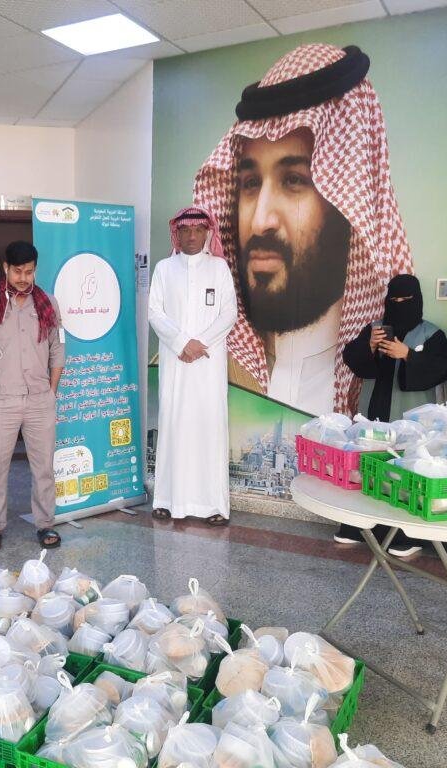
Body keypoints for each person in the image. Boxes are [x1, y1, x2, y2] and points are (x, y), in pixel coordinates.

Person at [193, 43, 413, 416]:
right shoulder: (223, 360)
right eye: (250, 183)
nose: (261, 220)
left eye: (294, 180)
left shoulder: (368, 369)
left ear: (347, 196)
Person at [338, 274, 447, 555]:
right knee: (369, 466)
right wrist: (369, 345)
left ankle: (407, 536)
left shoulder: (432, 334)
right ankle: (359, 528)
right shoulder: (374, 328)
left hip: (409, 418)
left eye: (406, 299)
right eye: (394, 299)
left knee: (407, 472)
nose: (399, 304)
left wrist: (408, 355)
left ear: (417, 300)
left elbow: (441, 369)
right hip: (375, 410)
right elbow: (352, 359)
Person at [0, 241, 65, 552]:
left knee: (44, 467)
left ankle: (45, 523)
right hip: (1, 399)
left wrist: (51, 392)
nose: (24, 278)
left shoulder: (47, 303)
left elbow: (57, 350)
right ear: (5, 268)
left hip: (39, 400)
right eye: (18, 271)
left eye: (29, 272)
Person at [149, 206, 238, 525]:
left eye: (198, 230)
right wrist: (181, 343)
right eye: (185, 230)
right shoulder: (164, 269)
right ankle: (166, 500)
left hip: (208, 366)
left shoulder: (219, 268)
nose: (191, 236)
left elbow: (229, 313)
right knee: (173, 425)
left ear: (207, 233)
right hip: (175, 363)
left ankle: (213, 505)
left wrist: (199, 343)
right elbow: (154, 312)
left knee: (208, 427)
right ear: (177, 233)